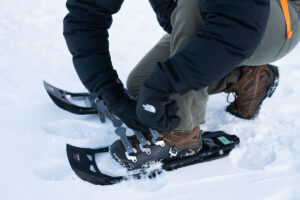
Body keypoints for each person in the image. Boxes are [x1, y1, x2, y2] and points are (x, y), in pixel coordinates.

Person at [63, 0, 300, 169]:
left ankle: (182, 135)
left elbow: (239, 27)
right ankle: (246, 76)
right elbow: (85, 16)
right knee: (141, 86)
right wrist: (109, 92)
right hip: (220, 18)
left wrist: (165, 85)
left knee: (192, 5)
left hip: (280, 14)